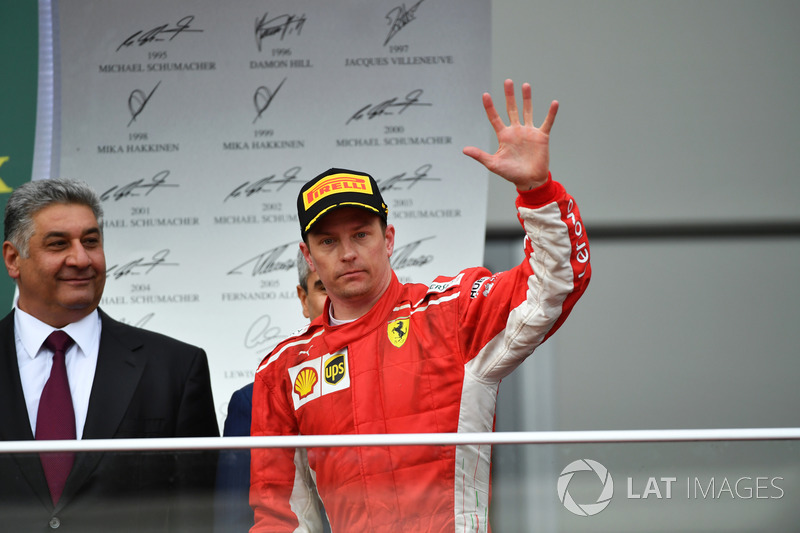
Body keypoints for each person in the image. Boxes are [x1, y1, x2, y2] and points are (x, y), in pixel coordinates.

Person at [249, 79, 592, 532]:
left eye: (361, 234)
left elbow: (556, 283)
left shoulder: (450, 315)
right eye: (329, 241)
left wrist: (538, 192)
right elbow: (282, 519)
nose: (347, 252)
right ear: (308, 256)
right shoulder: (283, 371)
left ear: (388, 239)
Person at [0, 178, 219, 532]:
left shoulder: (175, 369)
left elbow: (196, 515)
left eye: (91, 241)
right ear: (13, 259)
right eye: (59, 244)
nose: (81, 258)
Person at [215, 248, 328, 531]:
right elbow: (235, 523)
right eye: (323, 287)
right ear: (304, 299)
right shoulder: (251, 401)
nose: (340, 295)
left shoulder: (408, 382)